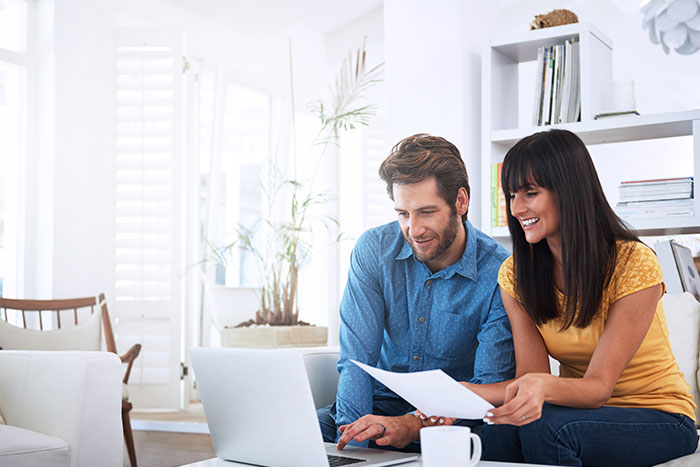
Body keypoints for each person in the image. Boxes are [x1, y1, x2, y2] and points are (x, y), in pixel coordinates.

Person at [424, 129, 698, 466]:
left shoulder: (633, 262)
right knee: (490, 431)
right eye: (512, 195)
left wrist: (539, 388)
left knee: (551, 430)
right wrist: (463, 394)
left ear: (570, 192)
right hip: (576, 413)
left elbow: (599, 388)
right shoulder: (515, 274)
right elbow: (531, 378)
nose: (516, 207)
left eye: (530, 193)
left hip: (659, 416)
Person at [316, 133, 515, 452]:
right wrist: (353, 443)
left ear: (460, 202)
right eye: (403, 214)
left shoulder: (499, 273)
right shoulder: (375, 251)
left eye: (426, 212)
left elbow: (486, 385)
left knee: (499, 439)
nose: (414, 229)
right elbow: (356, 359)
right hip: (377, 410)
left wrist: (411, 424)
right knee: (297, 433)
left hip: (452, 422)